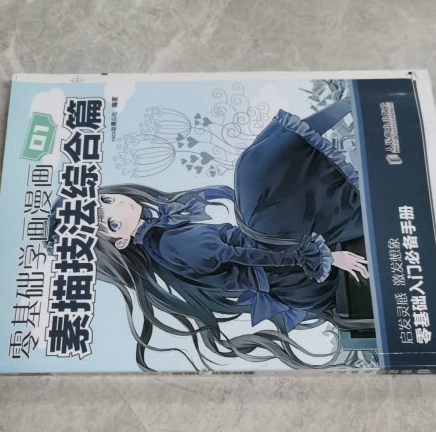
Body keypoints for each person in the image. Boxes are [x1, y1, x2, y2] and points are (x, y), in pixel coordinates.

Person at [90, 99, 372, 371]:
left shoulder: (162, 236)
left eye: (106, 200)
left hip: (280, 265)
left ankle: (351, 108)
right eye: (112, 224)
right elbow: (242, 255)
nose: (119, 206)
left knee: (257, 176)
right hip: (290, 271)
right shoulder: (169, 244)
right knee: (255, 171)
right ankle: (351, 108)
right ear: (121, 241)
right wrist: (320, 258)